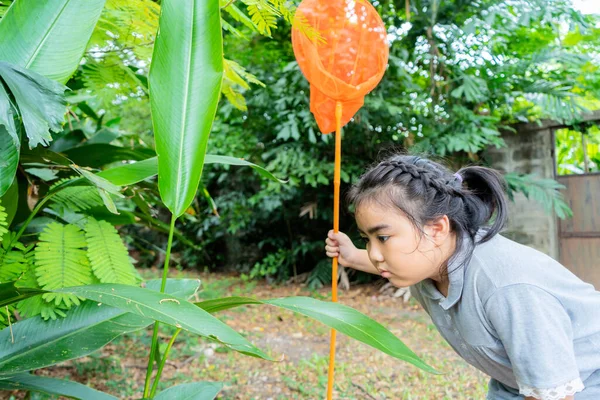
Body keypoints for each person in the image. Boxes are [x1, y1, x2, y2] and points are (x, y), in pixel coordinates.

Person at [324, 154, 600, 400]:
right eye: (366, 239)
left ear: (437, 228)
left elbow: (555, 392)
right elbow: (381, 263)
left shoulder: (507, 290)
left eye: (382, 237)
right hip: (515, 385)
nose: (375, 253)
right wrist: (351, 256)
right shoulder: (427, 260)